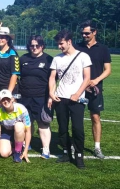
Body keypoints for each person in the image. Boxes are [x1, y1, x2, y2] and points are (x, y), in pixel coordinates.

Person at [49, 29, 91, 169]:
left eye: (61, 44)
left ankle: (79, 156)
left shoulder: (83, 56)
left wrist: (78, 93)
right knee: (62, 128)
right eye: (58, 44)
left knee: (77, 128)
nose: (59, 47)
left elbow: (87, 78)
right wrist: (51, 92)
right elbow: (52, 78)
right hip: (61, 98)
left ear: (69, 41)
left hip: (77, 99)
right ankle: (66, 152)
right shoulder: (57, 58)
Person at [74, 20, 112, 159]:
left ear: (94, 32)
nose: (84, 35)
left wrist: (96, 80)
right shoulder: (77, 47)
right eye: (82, 33)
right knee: (76, 117)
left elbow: (108, 70)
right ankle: (75, 145)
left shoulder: (103, 49)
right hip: (79, 89)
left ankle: (97, 147)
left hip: (95, 89)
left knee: (95, 117)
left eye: (87, 33)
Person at [18, 35, 53, 159]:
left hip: (41, 97)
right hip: (24, 97)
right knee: (27, 123)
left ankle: (46, 149)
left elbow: (53, 80)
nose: (34, 48)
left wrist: (50, 96)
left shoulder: (49, 59)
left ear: (42, 46)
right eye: (32, 45)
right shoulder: (23, 59)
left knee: (43, 123)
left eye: (37, 45)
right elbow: (17, 77)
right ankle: (27, 144)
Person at [0, 89, 31, 163]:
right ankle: (14, 145)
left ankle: (18, 151)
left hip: (19, 131)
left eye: (7, 99)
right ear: (0, 102)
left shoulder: (22, 109)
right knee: (4, 154)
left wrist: (26, 151)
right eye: (3, 100)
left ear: (12, 99)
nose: (6, 101)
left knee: (19, 125)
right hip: (6, 131)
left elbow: (28, 131)